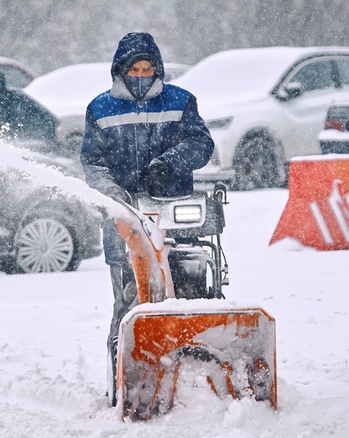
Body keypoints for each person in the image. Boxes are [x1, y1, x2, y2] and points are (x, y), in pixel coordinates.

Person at [79, 32, 214, 404]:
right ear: (120, 70)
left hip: (173, 214)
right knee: (127, 304)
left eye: (147, 67)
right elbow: (93, 161)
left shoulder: (181, 102)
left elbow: (202, 144)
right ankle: (123, 385)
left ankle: (197, 378)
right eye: (134, 68)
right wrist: (113, 194)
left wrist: (170, 164)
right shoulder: (100, 109)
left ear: (158, 69)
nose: (141, 74)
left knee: (192, 292)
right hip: (125, 220)